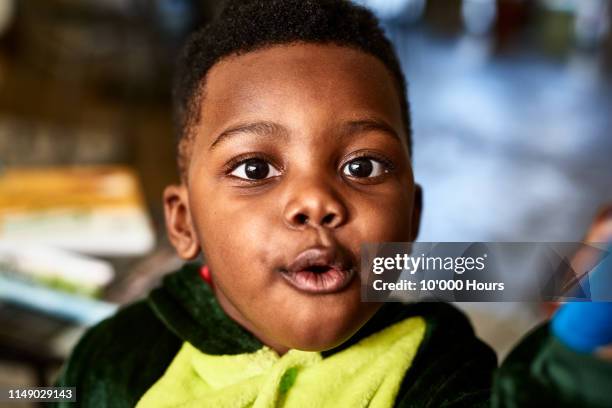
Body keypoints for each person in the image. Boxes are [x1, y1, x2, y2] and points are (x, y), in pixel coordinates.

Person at [53, 1, 612, 406]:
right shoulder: (119, 355)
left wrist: (575, 353)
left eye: (362, 167)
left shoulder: (436, 369)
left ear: (412, 220)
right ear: (183, 221)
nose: (316, 202)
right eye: (255, 169)